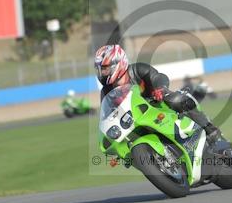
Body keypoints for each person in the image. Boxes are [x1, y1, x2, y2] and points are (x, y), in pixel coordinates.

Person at [94, 44, 222, 142]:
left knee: (177, 99)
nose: (102, 73)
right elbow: (108, 116)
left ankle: (209, 128)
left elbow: (157, 76)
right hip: (137, 119)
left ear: (118, 63)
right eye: (100, 69)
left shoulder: (137, 70)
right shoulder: (106, 92)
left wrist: (160, 88)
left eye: (105, 69)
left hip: (157, 102)